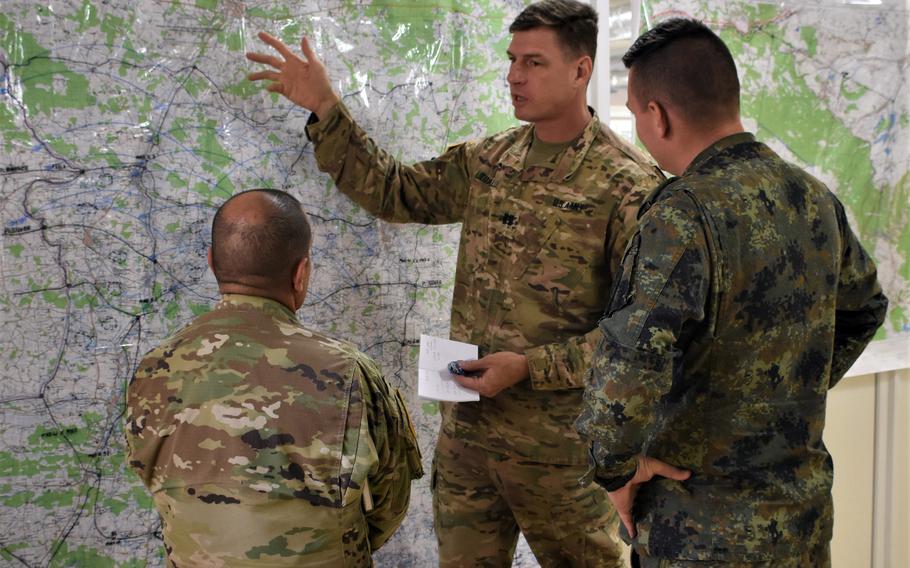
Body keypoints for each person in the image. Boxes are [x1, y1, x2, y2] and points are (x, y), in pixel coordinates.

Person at [246, 1, 663, 565]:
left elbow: (639, 335)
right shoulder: (491, 160)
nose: (514, 76)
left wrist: (528, 367)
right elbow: (397, 191)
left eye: (534, 63)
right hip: (469, 443)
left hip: (561, 459)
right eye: (512, 59)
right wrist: (326, 107)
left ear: (581, 70)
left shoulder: (627, 186)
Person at [574, 18, 889, 567]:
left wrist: (616, 471)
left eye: (634, 114)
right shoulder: (814, 199)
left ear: (658, 115)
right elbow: (865, 309)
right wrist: (782, 397)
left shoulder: (682, 214)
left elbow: (625, 372)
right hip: (803, 524)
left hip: (701, 532)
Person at [125, 189, 423, 567]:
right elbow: (388, 503)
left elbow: (149, 475)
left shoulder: (154, 368)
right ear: (301, 274)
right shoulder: (351, 372)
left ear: (212, 263)